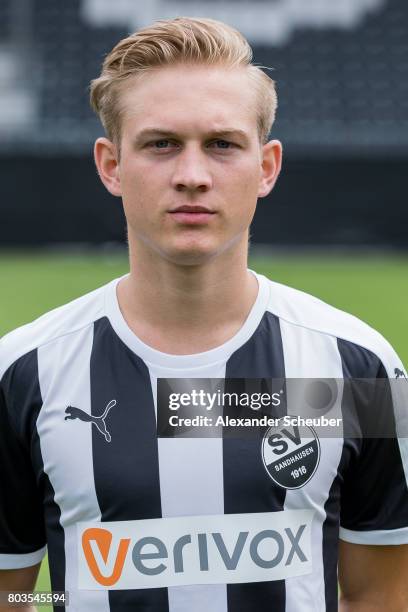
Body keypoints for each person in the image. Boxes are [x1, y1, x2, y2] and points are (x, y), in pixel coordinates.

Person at [0, 16, 407, 612]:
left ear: (266, 166)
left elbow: (380, 595)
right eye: (161, 144)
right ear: (111, 164)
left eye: (222, 145)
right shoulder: (23, 371)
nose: (192, 176)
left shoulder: (360, 366)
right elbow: (14, 594)